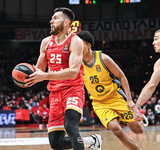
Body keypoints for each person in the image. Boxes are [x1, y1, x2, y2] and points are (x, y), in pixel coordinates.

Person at [25, 7, 101, 150]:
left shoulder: (75, 41)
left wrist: (45, 75)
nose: (51, 21)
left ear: (66, 22)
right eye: (51, 18)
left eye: (55, 18)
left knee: (70, 127)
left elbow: (73, 72)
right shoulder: (46, 42)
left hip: (73, 90)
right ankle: (92, 141)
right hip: (54, 94)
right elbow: (39, 69)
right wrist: (27, 76)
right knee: (56, 143)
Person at [77, 30, 143, 150]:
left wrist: (129, 100)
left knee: (137, 129)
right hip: (100, 103)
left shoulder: (103, 58)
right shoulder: (77, 64)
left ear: (88, 45)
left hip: (116, 97)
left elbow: (122, 76)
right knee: (116, 130)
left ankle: (141, 117)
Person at [133, 29, 160, 122]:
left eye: (156, 39)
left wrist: (136, 107)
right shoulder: (158, 63)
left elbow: (151, 86)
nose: (153, 43)